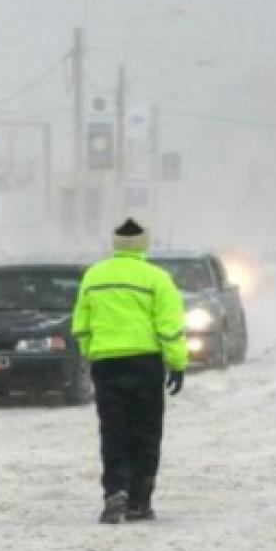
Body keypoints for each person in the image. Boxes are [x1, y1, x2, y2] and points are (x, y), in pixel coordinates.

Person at [72, 218, 188, 524]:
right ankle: (139, 500)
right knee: (146, 433)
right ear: (145, 244)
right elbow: (170, 327)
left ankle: (114, 492)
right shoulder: (157, 278)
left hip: (107, 364)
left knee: (113, 431)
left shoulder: (94, 276)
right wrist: (176, 363)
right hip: (145, 364)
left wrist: (91, 354)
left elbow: (81, 324)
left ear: (114, 244)